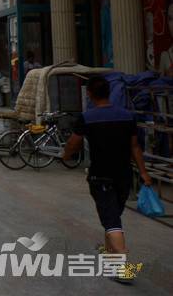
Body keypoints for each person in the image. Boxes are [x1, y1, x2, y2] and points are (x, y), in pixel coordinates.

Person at [63, 76, 152, 284]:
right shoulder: (127, 116)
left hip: (100, 176)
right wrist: (144, 173)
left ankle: (122, 268)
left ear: (90, 94)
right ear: (109, 92)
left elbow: (73, 145)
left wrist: (65, 156)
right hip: (124, 176)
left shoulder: (87, 117)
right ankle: (112, 258)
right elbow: (135, 147)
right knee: (113, 216)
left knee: (111, 220)